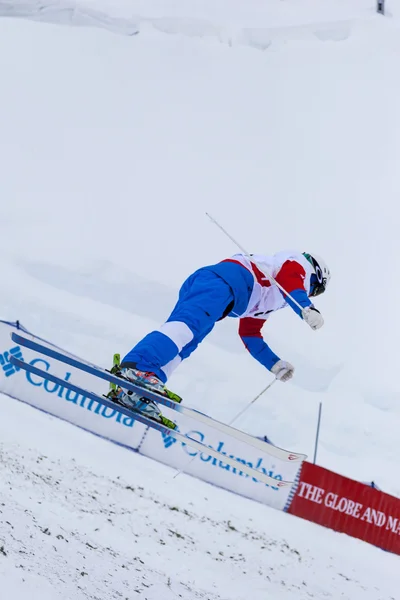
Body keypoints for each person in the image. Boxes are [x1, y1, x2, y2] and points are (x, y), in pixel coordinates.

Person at [109, 251, 331, 428]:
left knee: (187, 343)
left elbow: (249, 334)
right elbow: (291, 282)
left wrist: (274, 363)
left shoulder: (270, 300)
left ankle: (137, 390)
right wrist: (306, 308)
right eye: (315, 290)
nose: (311, 294)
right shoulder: (297, 265)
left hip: (224, 295)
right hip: (221, 282)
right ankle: (136, 368)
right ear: (316, 276)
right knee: (187, 327)